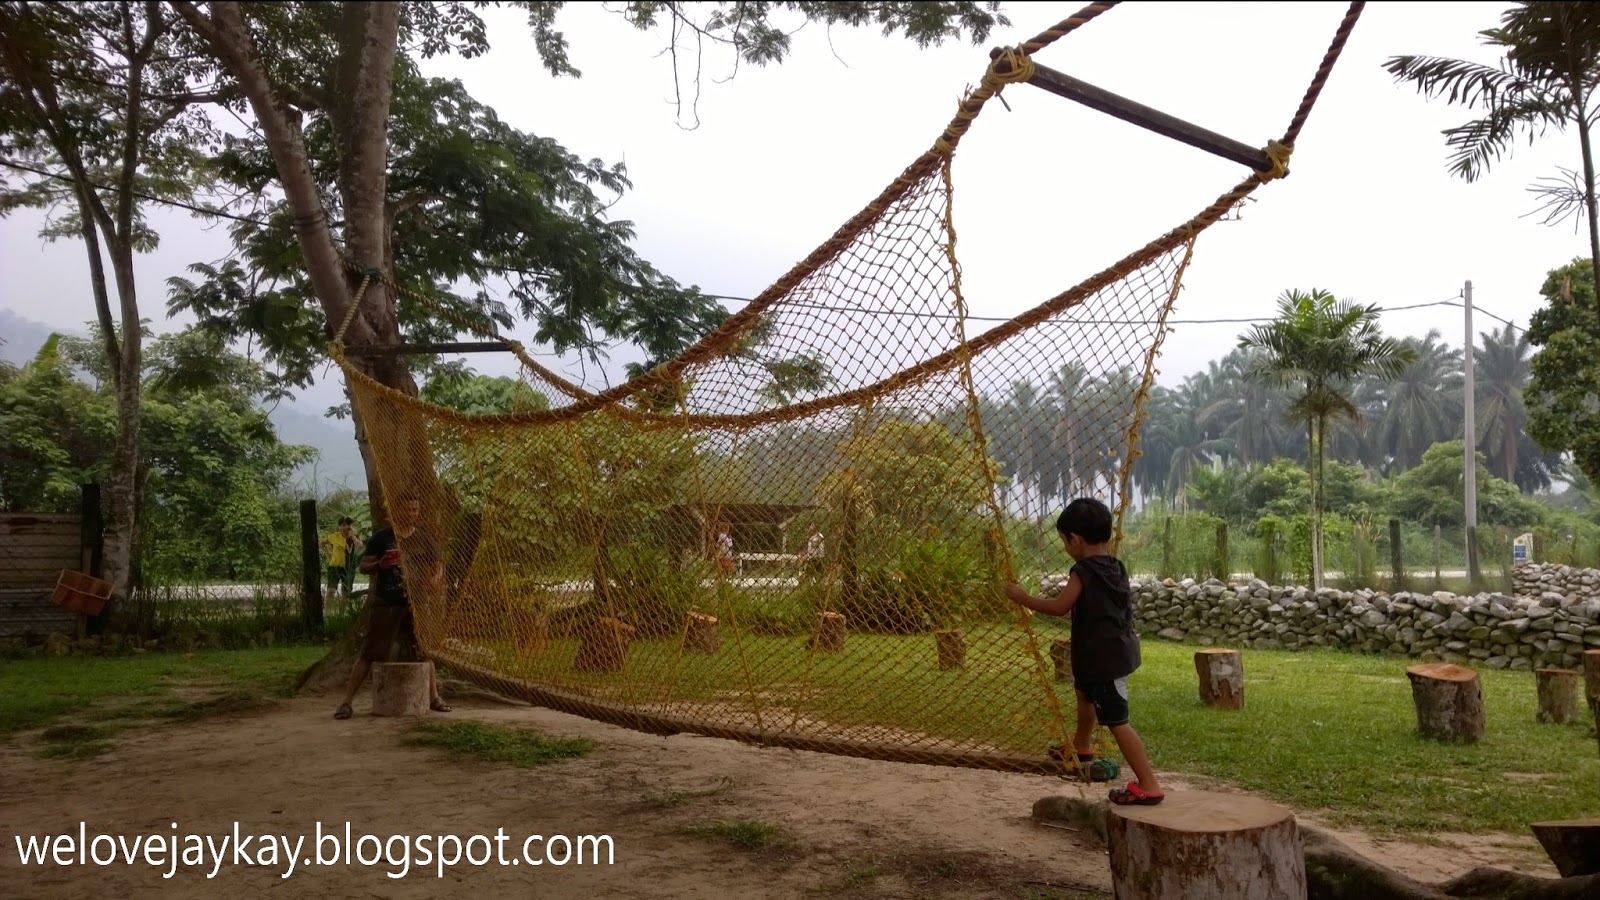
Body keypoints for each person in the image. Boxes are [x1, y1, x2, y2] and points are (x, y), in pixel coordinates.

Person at [1004, 497, 1164, 806]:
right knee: (1084, 696)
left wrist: (1023, 598)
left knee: (1117, 720)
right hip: (1102, 655)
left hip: (1105, 660)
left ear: (1075, 540)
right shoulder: (1115, 565)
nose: (1065, 546)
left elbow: (1060, 607)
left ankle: (1149, 783)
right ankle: (1081, 745)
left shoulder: (1083, 571)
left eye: (1064, 541)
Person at [334, 494, 451, 720]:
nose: (412, 513)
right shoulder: (383, 537)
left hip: (416, 603)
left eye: (415, 509)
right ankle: (346, 702)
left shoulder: (423, 538)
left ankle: (435, 698)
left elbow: (438, 565)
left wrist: (434, 581)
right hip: (387, 602)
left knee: (424, 650)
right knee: (370, 651)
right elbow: (363, 566)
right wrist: (380, 564)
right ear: (396, 511)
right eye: (407, 509)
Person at [321, 517, 357, 599]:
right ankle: (328, 607)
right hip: (334, 566)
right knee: (331, 590)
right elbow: (322, 543)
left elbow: (360, 546)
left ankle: (343, 607)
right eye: (342, 525)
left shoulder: (353, 538)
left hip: (348, 567)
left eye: (347, 525)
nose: (344, 528)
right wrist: (328, 553)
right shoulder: (335, 536)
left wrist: (352, 535)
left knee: (346, 592)